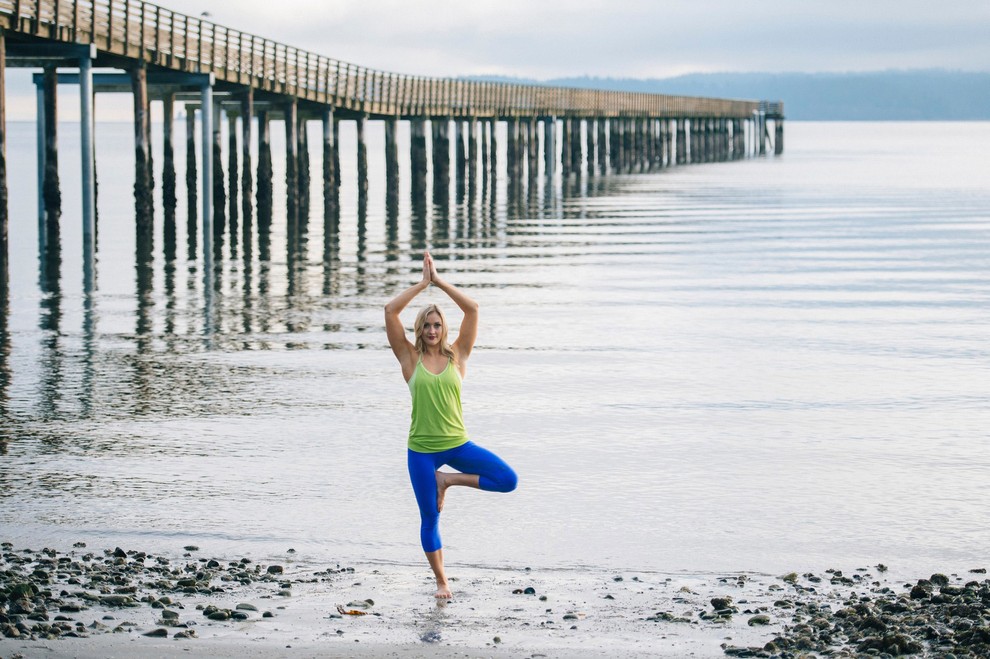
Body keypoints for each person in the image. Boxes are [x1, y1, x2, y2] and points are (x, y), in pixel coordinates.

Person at [384, 252, 518, 599]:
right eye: (427, 325)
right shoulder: (408, 357)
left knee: (508, 480)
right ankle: (442, 582)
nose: (432, 330)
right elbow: (390, 311)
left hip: (458, 445)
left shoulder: (458, 355)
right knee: (430, 520)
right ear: (419, 329)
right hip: (422, 451)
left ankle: (449, 480)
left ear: (444, 328)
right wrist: (422, 284)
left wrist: (440, 282)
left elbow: (472, 309)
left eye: (437, 325)